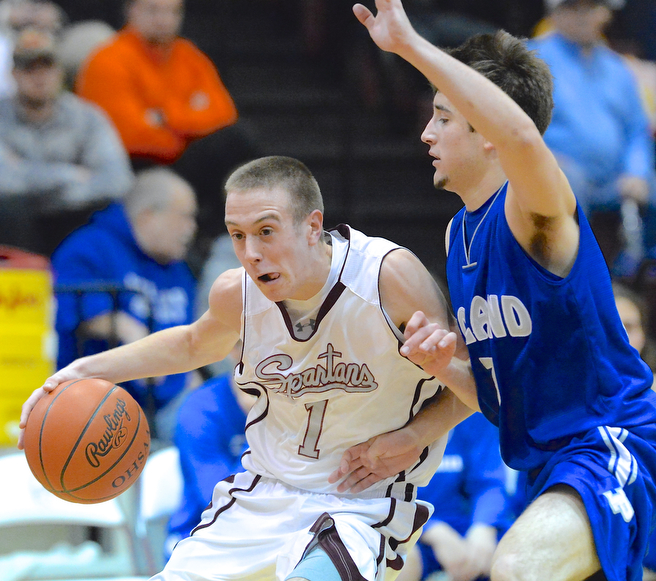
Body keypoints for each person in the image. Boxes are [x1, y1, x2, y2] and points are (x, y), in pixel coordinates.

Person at [20, 155, 477, 581]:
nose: (250, 251)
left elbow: (478, 386)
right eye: (237, 235)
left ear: (312, 226)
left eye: (266, 231)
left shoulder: (389, 278)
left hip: (360, 503)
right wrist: (84, 372)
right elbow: (192, 343)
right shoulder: (236, 293)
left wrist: (416, 436)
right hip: (263, 495)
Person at [330, 2, 656, 581]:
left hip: (613, 445)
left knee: (519, 568)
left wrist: (409, 46)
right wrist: (437, 382)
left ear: (487, 135)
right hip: (548, 463)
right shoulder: (460, 235)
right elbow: (505, 402)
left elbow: (522, 134)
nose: (426, 133)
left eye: (443, 117)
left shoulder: (534, 210)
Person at [74, 0, 258, 260]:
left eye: (172, 11)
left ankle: (218, 234)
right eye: (153, 10)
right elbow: (130, 136)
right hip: (135, 168)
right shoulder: (108, 58)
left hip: (183, 160)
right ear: (131, 11)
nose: (163, 19)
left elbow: (224, 114)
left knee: (237, 140)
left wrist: (165, 117)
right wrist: (190, 116)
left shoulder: (188, 56)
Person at [52, 167, 198, 442]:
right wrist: (136, 340)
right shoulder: (89, 247)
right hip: (97, 407)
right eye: (185, 217)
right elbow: (77, 309)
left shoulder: (180, 270)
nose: (192, 228)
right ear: (148, 215)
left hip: (167, 401)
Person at [527, 0, 656, 276]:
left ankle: (644, 276)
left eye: (591, 7)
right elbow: (517, 124)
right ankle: (570, 278)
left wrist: (636, 172)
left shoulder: (618, 69)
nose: (583, 16)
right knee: (568, 179)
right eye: (573, 8)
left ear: (605, 14)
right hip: (557, 172)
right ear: (555, 13)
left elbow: (636, 130)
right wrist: (543, 158)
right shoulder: (530, 60)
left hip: (614, 180)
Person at [0, 26, 133, 255]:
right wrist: (70, 174)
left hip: (72, 219)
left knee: (109, 210)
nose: (39, 76)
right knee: (10, 208)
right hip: (13, 226)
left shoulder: (88, 117)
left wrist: (28, 176)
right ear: (13, 74)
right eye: (29, 68)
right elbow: (5, 182)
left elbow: (117, 180)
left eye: (47, 66)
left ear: (60, 71)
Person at [396, 413, 513, 581]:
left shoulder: (472, 412)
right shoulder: (388, 415)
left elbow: (489, 484)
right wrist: (431, 530)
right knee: (398, 561)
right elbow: (375, 495)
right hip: (406, 526)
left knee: (512, 557)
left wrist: (484, 527)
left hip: (466, 526)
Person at [164, 359, 255, 560]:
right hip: (200, 536)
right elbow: (221, 502)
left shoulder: (299, 405)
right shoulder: (200, 408)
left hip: (270, 530)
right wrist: (261, 425)